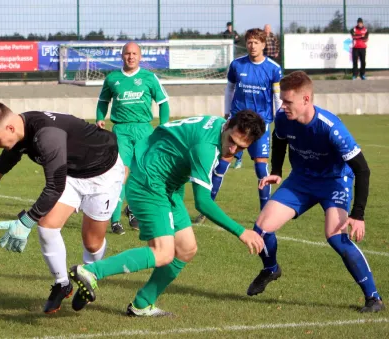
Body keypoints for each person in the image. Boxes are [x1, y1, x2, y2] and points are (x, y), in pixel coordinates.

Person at [67, 111, 266, 317]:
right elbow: (203, 202)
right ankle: (90, 272)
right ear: (227, 127)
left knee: (186, 249)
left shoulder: (217, 123)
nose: (233, 149)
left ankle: (142, 304)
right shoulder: (205, 147)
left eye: (241, 147)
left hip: (166, 186)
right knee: (163, 253)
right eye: (231, 141)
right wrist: (242, 232)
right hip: (149, 184)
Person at [245, 71, 384, 313]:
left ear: (306, 100)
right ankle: (270, 269)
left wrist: (358, 215)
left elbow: (362, 170)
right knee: (262, 228)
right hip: (300, 180)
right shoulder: (283, 118)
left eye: (288, 101)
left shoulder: (331, 128)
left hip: (334, 183)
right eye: (282, 100)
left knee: (336, 237)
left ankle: (373, 298)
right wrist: (277, 169)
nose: (283, 106)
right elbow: (279, 140)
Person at [0, 102, 125, 314]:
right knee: (47, 226)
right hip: (70, 173)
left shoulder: (47, 136)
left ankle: (90, 275)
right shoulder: (21, 128)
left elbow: (54, 186)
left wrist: (25, 222)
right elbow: (12, 153)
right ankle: (63, 283)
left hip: (102, 174)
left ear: (10, 128)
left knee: (91, 242)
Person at [195, 28, 283, 224]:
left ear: (263, 45)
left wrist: (280, 118)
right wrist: (227, 112)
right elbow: (229, 89)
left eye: (256, 42)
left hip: (260, 126)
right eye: (250, 42)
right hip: (237, 124)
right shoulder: (237, 65)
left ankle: (264, 213)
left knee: (261, 168)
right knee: (221, 166)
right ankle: (205, 210)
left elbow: (277, 96)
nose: (252, 46)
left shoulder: (273, 69)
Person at [96, 41, 170, 236]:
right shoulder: (113, 78)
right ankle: (114, 220)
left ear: (140, 56)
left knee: (143, 173)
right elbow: (103, 102)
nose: (131, 56)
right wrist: (99, 118)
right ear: (122, 56)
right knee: (122, 172)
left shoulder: (149, 77)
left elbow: (163, 103)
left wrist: (162, 126)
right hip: (121, 130)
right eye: (127, 53)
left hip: (144, 130)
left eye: (134, 53)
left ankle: (132, 209)